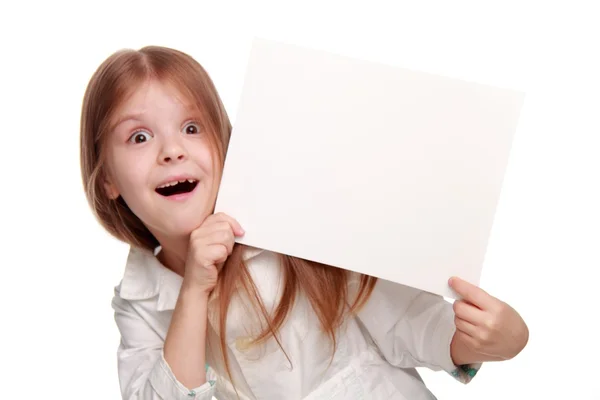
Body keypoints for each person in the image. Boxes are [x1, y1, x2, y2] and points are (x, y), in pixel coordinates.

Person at [79, 45, 529, 400]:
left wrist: (489, 340)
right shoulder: (137, 302)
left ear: (225, 145)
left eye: (192, 128)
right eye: (139, 136)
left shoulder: (288, 221)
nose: (172, 150)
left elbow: (404, 323)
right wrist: (195, 288)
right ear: (109, 183)